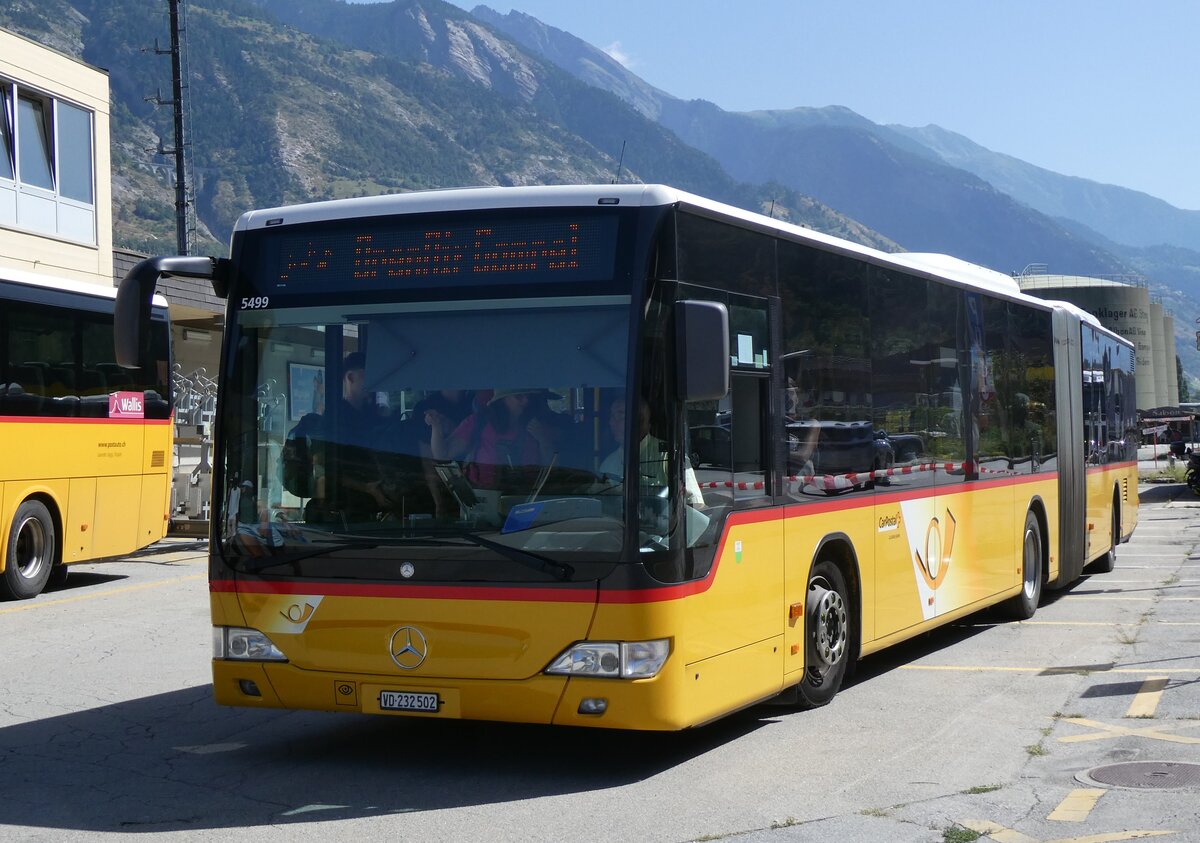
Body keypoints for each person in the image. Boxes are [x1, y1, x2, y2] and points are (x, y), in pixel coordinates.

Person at [428, 387, 562, 493]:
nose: (526, 401)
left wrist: (544, 440)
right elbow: (442, 454)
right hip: (484, 504)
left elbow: (551, 472)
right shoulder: (478, 423)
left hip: (528, 501)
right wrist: (436, 426)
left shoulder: (540, 426)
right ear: (503, 399)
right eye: (519, 396)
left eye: (530, 396)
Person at [600, 397, 705, 508]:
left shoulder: (670, 456)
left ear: (641, 421)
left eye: (620, 416)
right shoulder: (608, 464)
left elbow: (695, 504)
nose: (611, 423)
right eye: (611, 417)